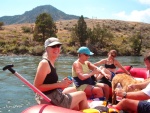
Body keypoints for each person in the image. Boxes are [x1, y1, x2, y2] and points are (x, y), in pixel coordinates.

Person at [34, 37, 89, 111]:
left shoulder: (51, 62)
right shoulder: (44, 63)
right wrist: (59, 85)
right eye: (53, 46)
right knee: (82, 94)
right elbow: (36, 88)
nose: (56, 48)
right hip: (49, 98)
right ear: (46, 49)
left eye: (58, 46)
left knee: (73, 89)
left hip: (52, 95)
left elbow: (48, 82)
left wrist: (62, 83)